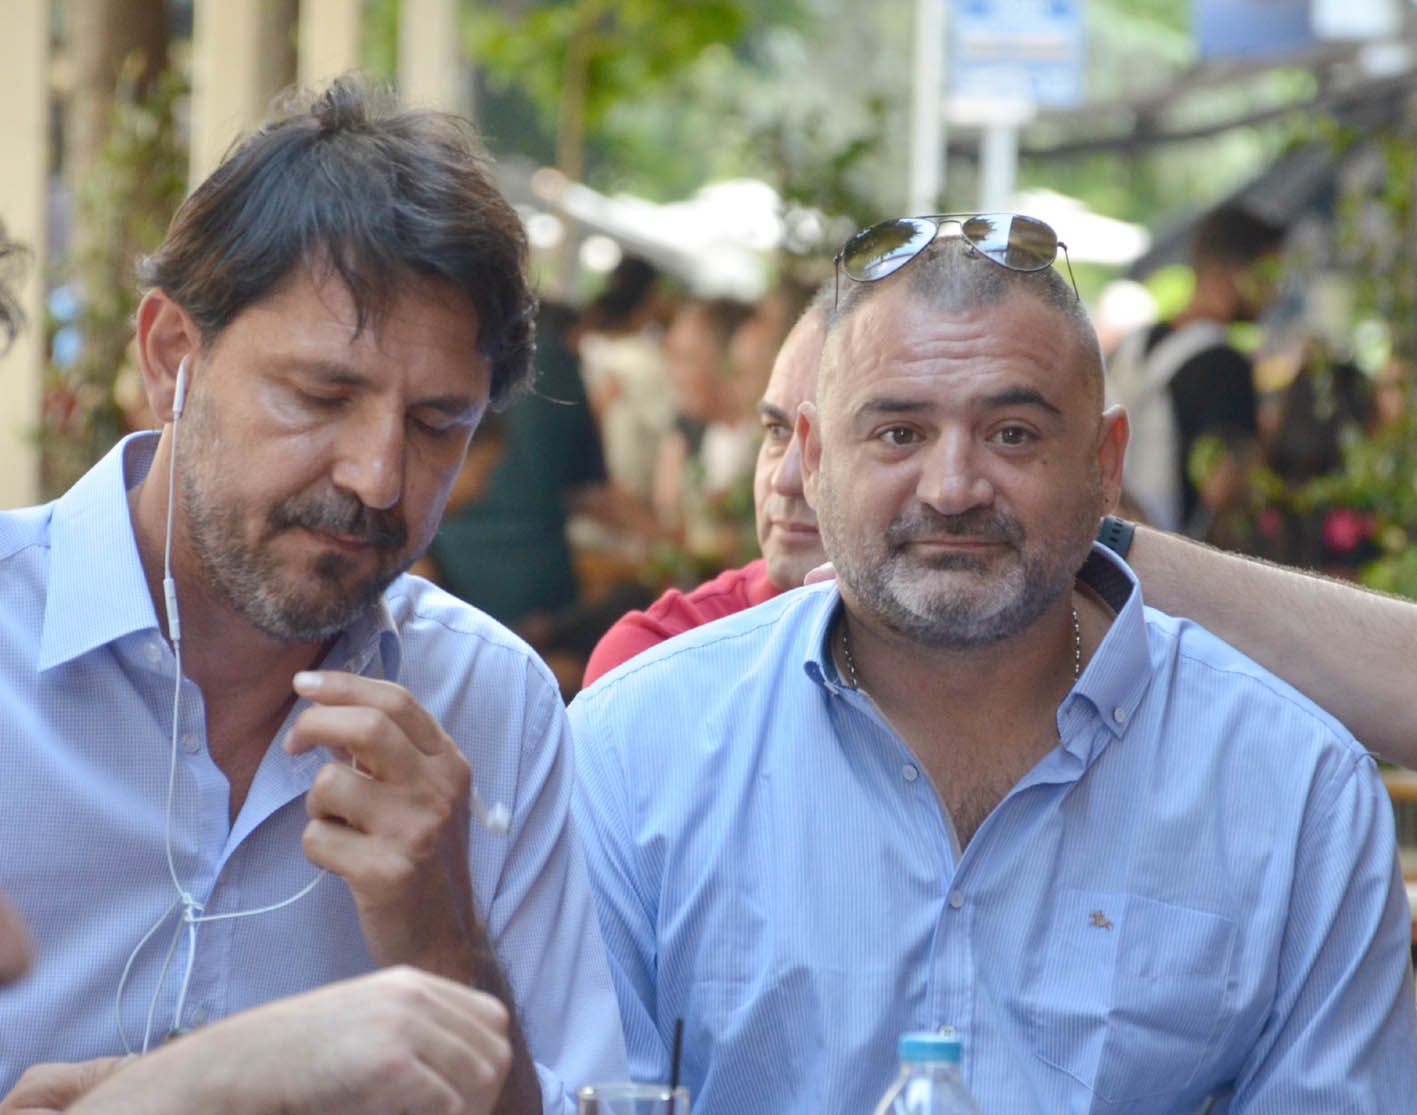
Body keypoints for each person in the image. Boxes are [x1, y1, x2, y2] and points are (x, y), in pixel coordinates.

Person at [569, 224, 1417, 1112]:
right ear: (811, 461)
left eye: (1012, 434)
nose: (951, 487)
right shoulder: (634, 752)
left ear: (1104, 465)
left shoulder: (1293, 789)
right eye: (898, 432)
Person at [0, 77, 625, 1113]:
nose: (377, 477)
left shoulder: (489, 702)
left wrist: (444, 944)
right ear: (169, 357)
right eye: (321, 395)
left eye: (437, 425)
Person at [582, 293, 827, 685]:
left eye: (688, 358)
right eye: (777, 431)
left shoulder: (733, 445)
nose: (786, 478)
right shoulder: (653, 649)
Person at [1107, 203, 1284, 535]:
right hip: (1172, 550)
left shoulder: (1132, 344)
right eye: (1268, 274)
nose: (1274, 293)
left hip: (1106, 538)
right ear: (1230, 273)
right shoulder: (1225, 365)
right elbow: (1223, 487)